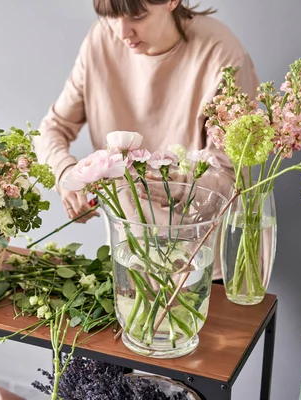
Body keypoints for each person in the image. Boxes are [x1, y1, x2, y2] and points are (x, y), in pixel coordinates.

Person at [33, 0, 259, 281]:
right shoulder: (100, 40)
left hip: (203, 262)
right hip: (129, 257)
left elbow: (230, 179)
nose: (122, 32)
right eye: (111, 16)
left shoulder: (223, 56)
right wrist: (67, 175)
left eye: (136, 17)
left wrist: (169, 183)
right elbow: (52, 129)